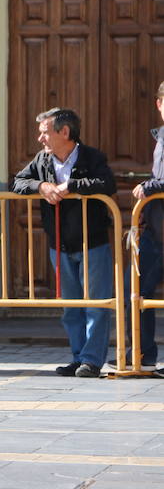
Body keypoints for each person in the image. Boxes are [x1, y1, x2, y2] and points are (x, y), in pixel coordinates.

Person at [12, 108, 116, 378]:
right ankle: (78, 356)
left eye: (45, 132)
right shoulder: (41, 160)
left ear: (65, 132)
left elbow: (106, 183)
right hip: (59, 244)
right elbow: (18, 182)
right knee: (71, 307)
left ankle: (92, 361)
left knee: (96, 305)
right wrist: (42, 187)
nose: (40, 138)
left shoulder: (92, 156)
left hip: (92, 243)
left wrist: (72, 186)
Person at [126, 81, 164, 374]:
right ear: (159, 104)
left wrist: (150, 186)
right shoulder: (160, 136)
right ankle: (143, 355)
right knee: (137, 292)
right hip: (155, 230)